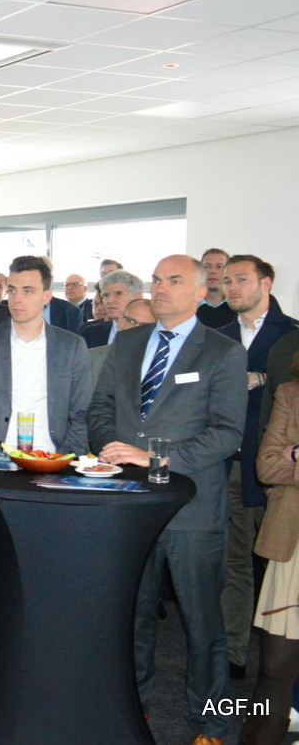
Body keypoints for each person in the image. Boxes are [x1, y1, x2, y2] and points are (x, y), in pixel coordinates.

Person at [88, 254, 247, 745]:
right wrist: (113, 448)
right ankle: (131, 706)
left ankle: (214, 723)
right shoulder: (129, 342)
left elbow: (227, 434)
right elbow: (100, 409)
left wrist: (152, 456)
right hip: (129, 504)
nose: (160, 288)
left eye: (174, 281)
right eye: (156, 280)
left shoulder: (223, 352)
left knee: (203, 626)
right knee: (132, 616)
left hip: (192, 510)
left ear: (201, 291)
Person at [0, 255, 92, 689]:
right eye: (12, 289)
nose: (17, 298)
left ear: (47, 295)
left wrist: (68, 466)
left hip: (51, 469)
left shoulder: (71, 345)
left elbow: (81, 415)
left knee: (45, 567)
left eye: (28, 290)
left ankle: (40, 655)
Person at [216, 255, 296, 680]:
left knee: (281, 565)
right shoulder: (217, 337)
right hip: (231, 465)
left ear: (266, 283)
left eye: (241, 279)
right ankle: (235, 652)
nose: (231, 287)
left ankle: (282, 660)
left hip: (282, 474)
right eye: (227, 280)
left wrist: (261, 379)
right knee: (234, 563)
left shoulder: (292, 335)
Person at [241, 357, 299, 745]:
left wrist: (292, 456)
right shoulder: (290, 394)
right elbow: (265, 466)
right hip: (293, 546)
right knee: (276, 667)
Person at [81, 269, 145, 349]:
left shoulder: (151, 333)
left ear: (138, 297)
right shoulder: (90, 333)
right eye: (106, 295)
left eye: (118, 294)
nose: (109, 301)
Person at [198, 248, 234, 328]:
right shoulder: (188, 308)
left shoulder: (238, 308)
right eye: (207, 266)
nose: (212, 271)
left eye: (219, 266)